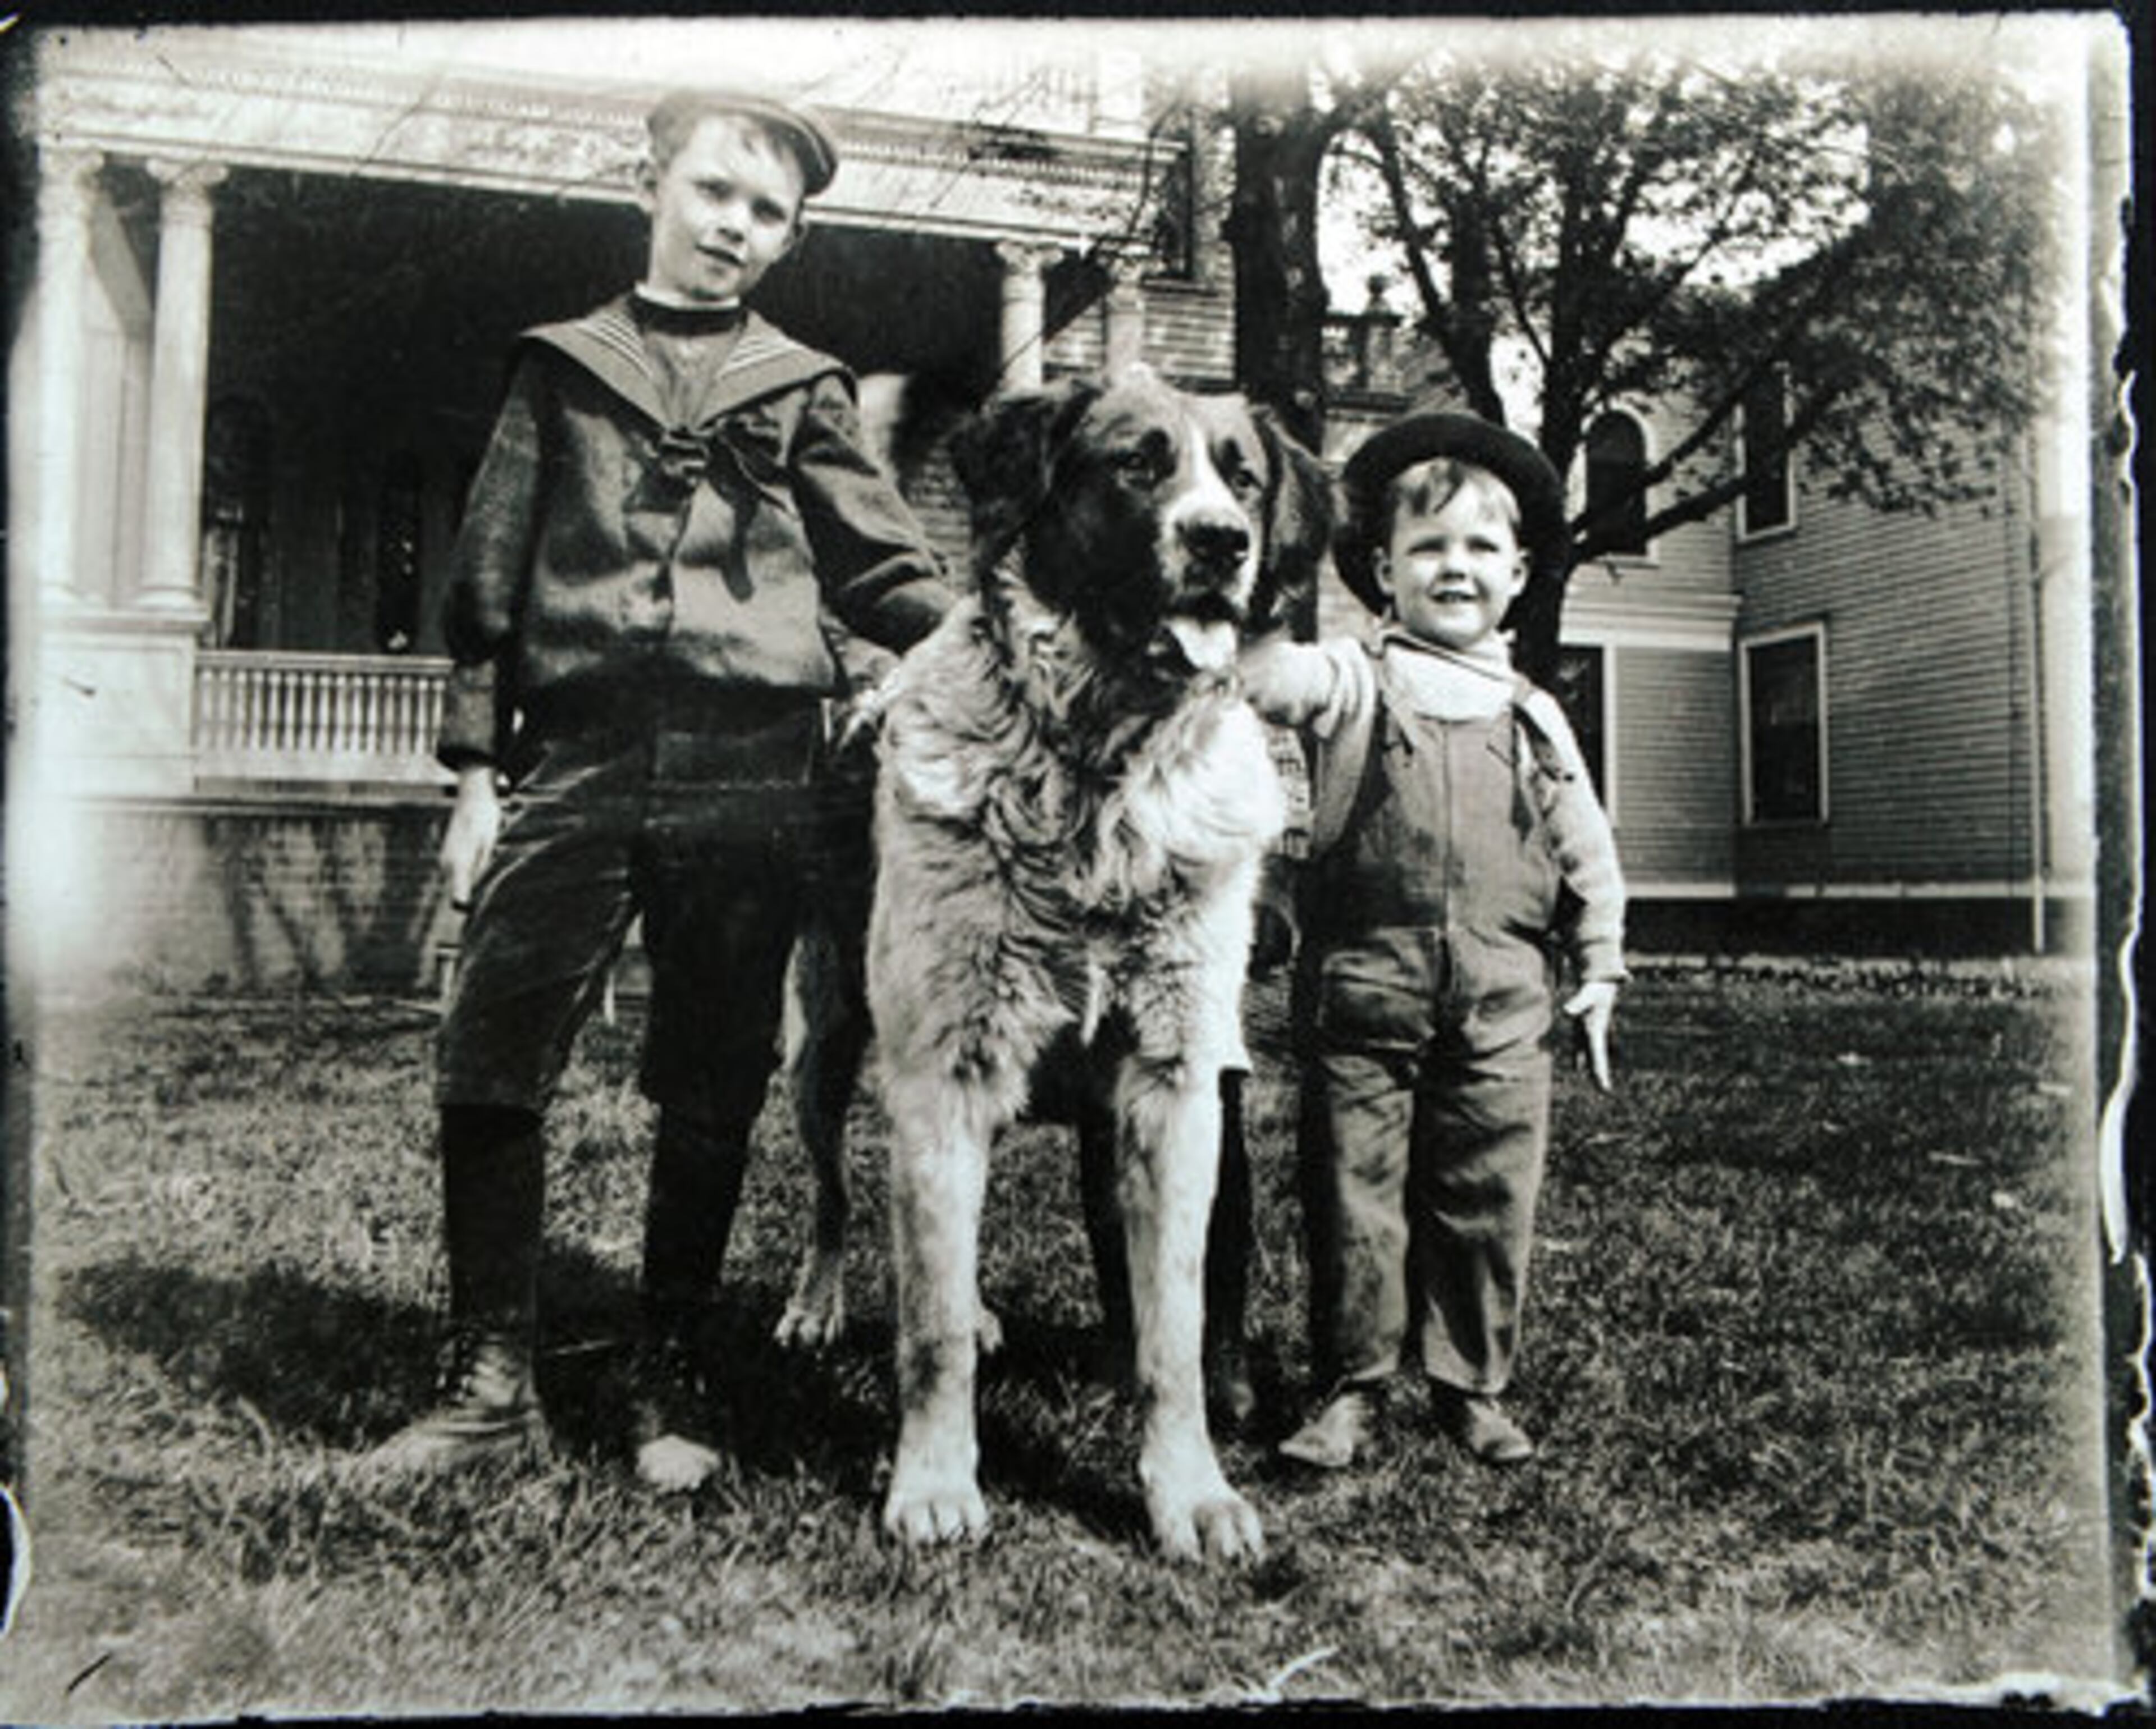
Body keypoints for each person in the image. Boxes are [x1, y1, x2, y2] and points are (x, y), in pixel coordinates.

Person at [364, 88, 954, 1491]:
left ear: (792, 239)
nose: (734, 226)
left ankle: (669, 1364)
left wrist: (993, 645)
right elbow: (489, 579)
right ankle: (491, 1380)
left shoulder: (802, 384)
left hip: (754, 765)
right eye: (712, 192)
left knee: (717, 1068)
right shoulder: (562, 370)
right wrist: (474, 776)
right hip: (578, 753)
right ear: (650, 186)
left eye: (768, 213)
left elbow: (883, 567)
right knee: (491, 1046)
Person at [1238, 404, 1623, 1470]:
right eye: (1428, 548)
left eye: (1481, 549)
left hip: (1505, 997)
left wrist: (1600, 967)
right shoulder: (1353, 679)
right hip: (1363, 984)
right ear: (1382, 570)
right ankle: (1352, 1386)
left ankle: (1473, 1384)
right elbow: (1269, 678)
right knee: (1352, 1188)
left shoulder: (1535, 714)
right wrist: (1260, 586)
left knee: (1489, 1192)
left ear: (1519, 573)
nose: (1455, 568)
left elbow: (1588, 853)